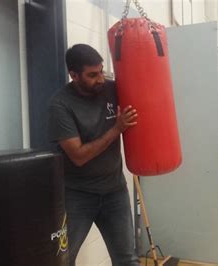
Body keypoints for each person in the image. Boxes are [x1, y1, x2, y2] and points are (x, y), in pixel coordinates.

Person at [48, 44, 139, 266]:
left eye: (101, 71)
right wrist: (117, 129)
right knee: (63, 259)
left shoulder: (111, 89)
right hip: (78, 195)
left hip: (114, 191)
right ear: (74, 75)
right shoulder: (60, 105)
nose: (100, 79)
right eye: (92, 75)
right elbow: (78, 156)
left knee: (127, 258)